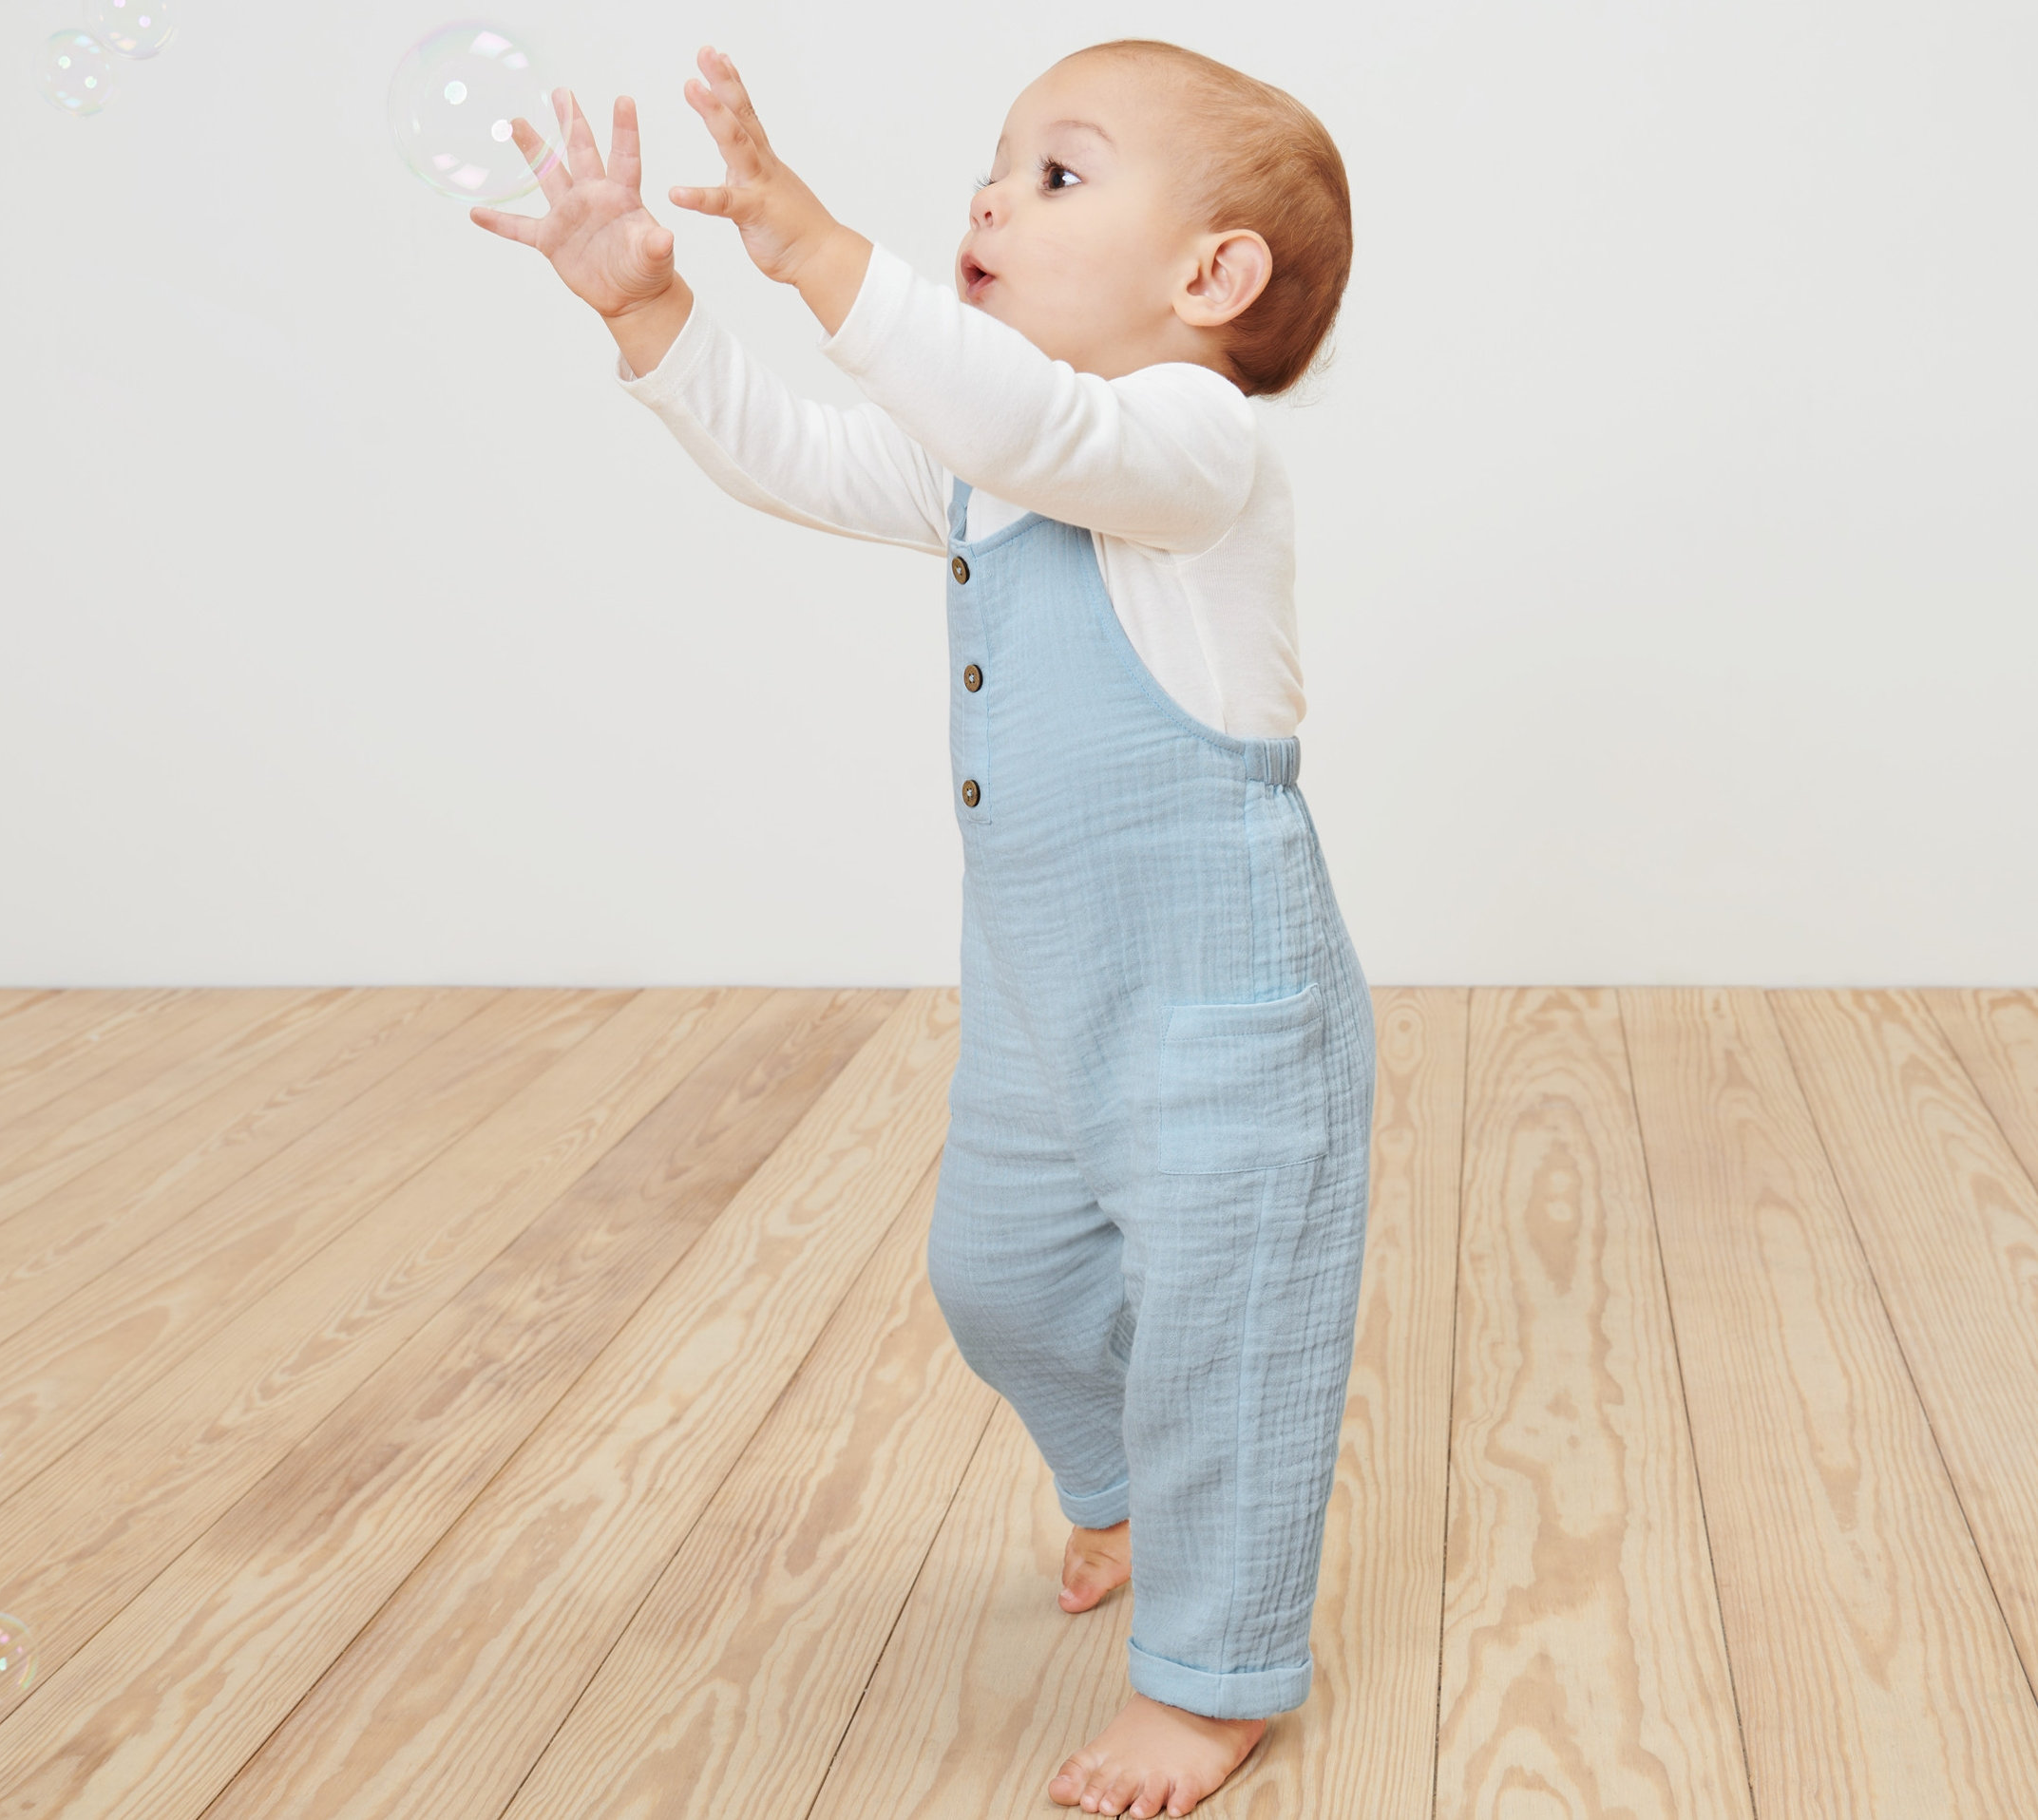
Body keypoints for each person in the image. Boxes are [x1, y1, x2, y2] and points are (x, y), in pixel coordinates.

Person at [472, 39, 1374, 1817]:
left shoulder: (1192, 449)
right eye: (995, 162)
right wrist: (651, 316)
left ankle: (1210, 1678)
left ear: (1210, 280)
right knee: (999, 1278)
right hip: (1045, 1009)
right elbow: (805, 458)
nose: (987, 195)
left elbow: (1020, 415)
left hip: (1226, 1023)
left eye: (1057, 175)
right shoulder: (1000, 470)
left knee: (1230, 1344)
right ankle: (1119, 1488)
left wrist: (815, 247)